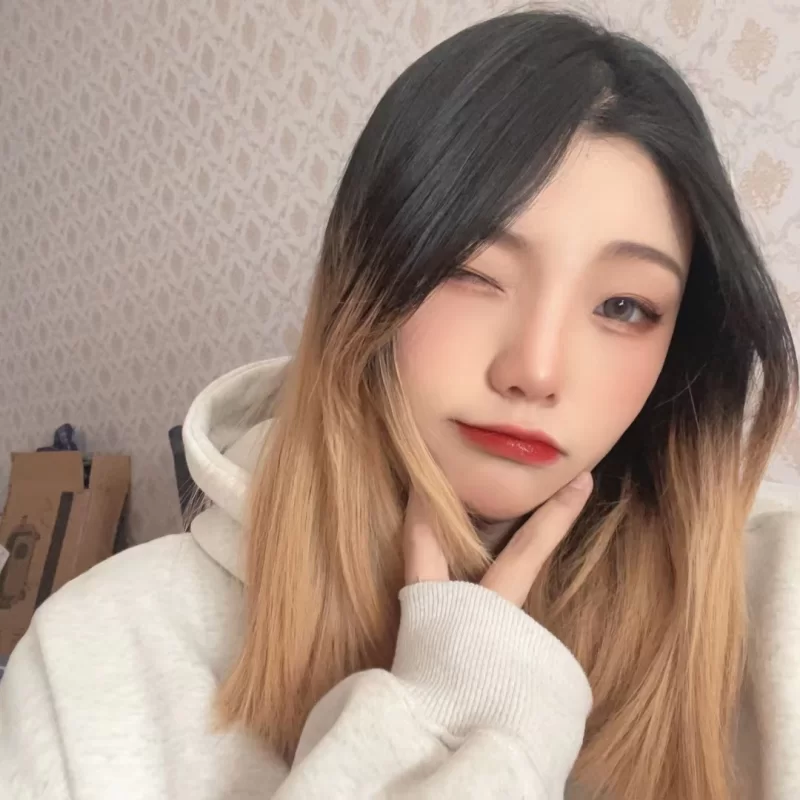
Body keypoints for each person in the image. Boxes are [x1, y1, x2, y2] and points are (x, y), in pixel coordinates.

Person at [1, 8, 799, 800]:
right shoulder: (94, 660)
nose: (535, 370)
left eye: (624, 306)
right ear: (362, 282)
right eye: (471, 271)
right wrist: (453, 727)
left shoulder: (776, 605)